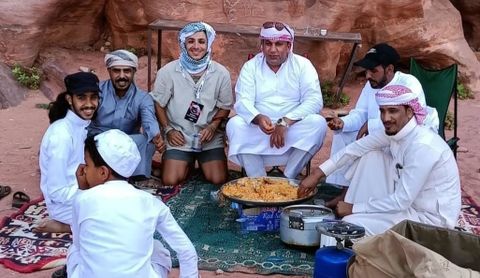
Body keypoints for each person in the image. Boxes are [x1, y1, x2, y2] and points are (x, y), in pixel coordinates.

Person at [299, 82, 461, 236]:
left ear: (410, 111)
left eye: (393, 111)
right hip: (408, 204)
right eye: (382, 111)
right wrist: (317, 174)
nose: (386, 118)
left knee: (348, 227)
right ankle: (352, 212)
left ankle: (351, 213)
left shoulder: (423, 146)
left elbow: (401, 201)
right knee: (370, 154)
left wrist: (355, 208)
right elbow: (355, 149)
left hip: (430, 222)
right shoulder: (396, 131)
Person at [66, 129, 198, 278]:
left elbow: (79, 244)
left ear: (103, 172)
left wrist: (81, 190)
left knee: (74, 250)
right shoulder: (151, 202)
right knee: (158, 249)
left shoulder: (82, 199)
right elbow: (186, 250)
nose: (83, 170)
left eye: (87, 165)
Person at [325, 43, 439, 206]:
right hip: (376, 135)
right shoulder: (371, 84)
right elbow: (360, 113)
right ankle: (346, 191)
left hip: (402, 140)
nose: (368, 75)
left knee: (365, 143)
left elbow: (407, 123)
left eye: (373, 71)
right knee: (344, 134)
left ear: (389, 69)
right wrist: (343, 122)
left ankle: (354, 199)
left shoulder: (408, 84)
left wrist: (369, 126)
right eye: (367, 71)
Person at [226, 21, 327, 179]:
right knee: (235, 125)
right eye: (268, 44)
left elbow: (314, 100)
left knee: (318, 124)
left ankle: (288, 179)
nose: (272, 50)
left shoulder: (303, 65)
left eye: (279, 44)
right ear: (262, 45)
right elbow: (242, 101)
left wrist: (285, 122)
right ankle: (258, 181)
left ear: (289, 46)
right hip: (260, 129)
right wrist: (258, 118)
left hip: (292, 127)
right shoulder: (250, 67)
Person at [150, 22, 233, 186]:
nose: (196, 46)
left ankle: (197, 162)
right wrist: (168, 130)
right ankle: (186, 162)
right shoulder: (168, 72)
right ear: (183, 44)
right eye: (191, 41)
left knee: (218, 179)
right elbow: (158, 104)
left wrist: (213, 126)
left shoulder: (221, 73)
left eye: (201, 42)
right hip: (179, 136)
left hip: (208, 137)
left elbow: (225, 107)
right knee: (170, 180)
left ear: (208, 44)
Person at [37, 72, 100, 233]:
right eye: (81, 98)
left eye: (93, 97)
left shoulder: (81, 126)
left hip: (82, 194)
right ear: (69, 99)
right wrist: (94, 193)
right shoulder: (61, 135)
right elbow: (57, 192)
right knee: (119, 221)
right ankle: (65, 226)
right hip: (63, 205)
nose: (89, 104)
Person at [88, 49, 164, 181]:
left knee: (146, 141)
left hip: (124, 144)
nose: (122, 76)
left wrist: (155, 135)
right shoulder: (97, 91)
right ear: (109, 71)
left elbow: (149, 121)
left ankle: (136, 178)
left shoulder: (142, 98)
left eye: (127, 71)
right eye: (116, 71)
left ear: (134, 72)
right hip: (98, 143)